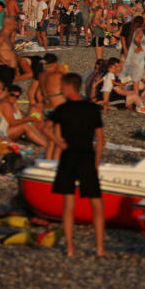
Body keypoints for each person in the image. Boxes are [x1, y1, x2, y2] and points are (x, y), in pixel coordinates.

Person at [49, 73, 105, 257]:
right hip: (87, 157)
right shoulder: (91, 108)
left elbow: (45, 128)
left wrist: (59, 143)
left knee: (68, 205)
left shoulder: (62, 109)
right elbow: (101, 139)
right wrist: (96, 162)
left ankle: (70, 249)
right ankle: (99, 248)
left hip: (69, 156)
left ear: (67, 87)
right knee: (96, 204)